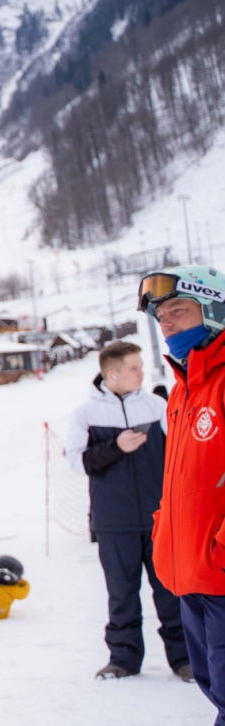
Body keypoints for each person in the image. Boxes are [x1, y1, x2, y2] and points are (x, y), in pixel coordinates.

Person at [66, 340, 189, 681]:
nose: (141, 373)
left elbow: (178, 455)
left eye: (141, 366)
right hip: (113, 522)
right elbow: (76, 462)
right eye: (134, 368)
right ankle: (123, 659)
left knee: (171, 592)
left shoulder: (156, 405)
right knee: (121, 594)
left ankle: (185, 658)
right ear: (112, 373)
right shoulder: (85, 413)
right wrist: (115, 446)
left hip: (159, 519)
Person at [139, 267, 225, 718]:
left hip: (219, 572)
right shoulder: (183, 390)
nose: (167, 323)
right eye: (161, 316)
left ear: (213, 312)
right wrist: (164, 534)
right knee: (214, 688)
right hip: (191, 573)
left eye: (178, 310)